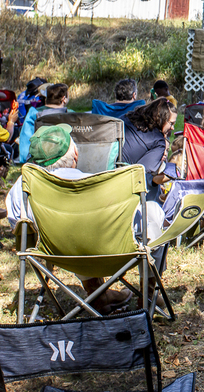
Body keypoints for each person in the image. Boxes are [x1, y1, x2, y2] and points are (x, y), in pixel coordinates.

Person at [5, 124, 134, 314]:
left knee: (70, 234)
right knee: (83, 234)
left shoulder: (21, 187)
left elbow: (17, 227)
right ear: (75, 155)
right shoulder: (98, 185)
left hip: (50, 253)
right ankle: (148, 297)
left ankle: (99, 296)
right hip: (111, 253)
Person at [123, 98, 177, 201]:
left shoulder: (128, 117)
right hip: (126, 185)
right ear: (162, 119)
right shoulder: (158, 141)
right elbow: (144, 174)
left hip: (108, 167)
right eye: (171, 123)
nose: (172, 128)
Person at [19, 83, 70, 163]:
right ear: (64, 99)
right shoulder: (70, 114)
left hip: (40, 159)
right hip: (66, 158)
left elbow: (26, 138)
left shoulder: (34, 113)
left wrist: (25, 160)